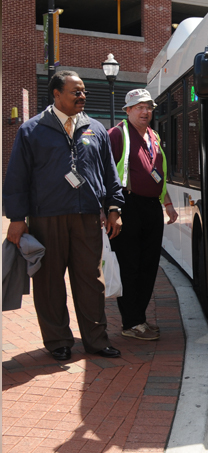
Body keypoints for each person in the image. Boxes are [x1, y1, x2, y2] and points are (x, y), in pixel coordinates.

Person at [3, 71, 124, 361]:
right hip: (46, 217)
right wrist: (17, 218)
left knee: (90, 280)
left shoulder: (95, 128)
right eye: (75, 92)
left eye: (83, 91)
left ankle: (95, 340)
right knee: (48, 281)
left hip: (87, 217)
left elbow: (109, 172)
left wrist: (114, 207)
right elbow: (17, 177)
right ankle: (58, 341)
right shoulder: (31, 130)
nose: (83, 96)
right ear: (56, 94)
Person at [109, 89, 179, 341]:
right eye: (139, 107)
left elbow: (159, 171)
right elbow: (105, 175)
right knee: (130, 266)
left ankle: (139, 318)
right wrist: (111, 210)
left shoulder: (154, 135)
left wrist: (167, 203)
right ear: (127, 110)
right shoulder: (117, 134)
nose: (145, 111)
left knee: (148, 266)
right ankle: (131, 323)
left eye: (148, 107)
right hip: (127, 206)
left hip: (151, 207)